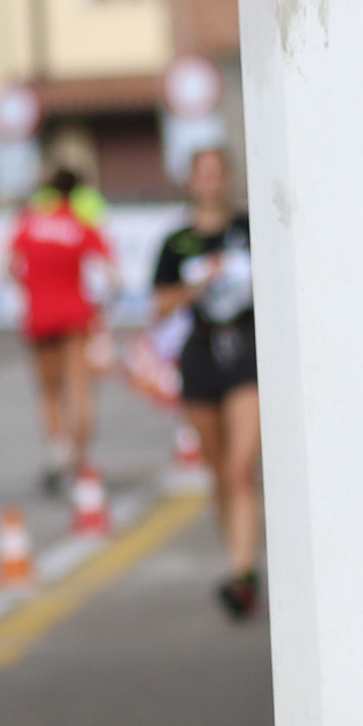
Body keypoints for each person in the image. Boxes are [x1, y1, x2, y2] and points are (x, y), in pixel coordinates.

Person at [152, 146, 262, 618]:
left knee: (239, 469)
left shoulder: (249, 229)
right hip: (200, 354)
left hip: (246, 350)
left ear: (228, 179)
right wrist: (198, 285)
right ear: (192, 181)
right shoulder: (177, 242)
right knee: (219, 473)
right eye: (204, 174)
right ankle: (238, 556)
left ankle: (242, 572)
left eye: (219, 173)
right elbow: (159, 305)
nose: (212, 182)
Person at [8, 167, 112, 495]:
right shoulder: (81, 224)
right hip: (75, 312)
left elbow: (9, 267)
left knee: (49, 389)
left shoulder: (29, 222)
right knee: (79, 387)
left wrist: (31, 287)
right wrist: (102, 306)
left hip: (39, 312)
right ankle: (79, 454)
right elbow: (112, 273)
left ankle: (58, 448)